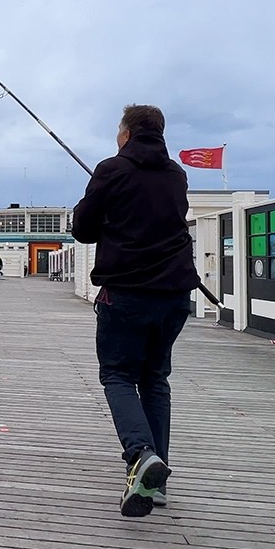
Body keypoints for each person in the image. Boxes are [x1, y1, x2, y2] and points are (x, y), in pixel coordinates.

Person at [71, 104, 199, 517]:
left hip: (126, 293)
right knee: (156, 379)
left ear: (126, 133)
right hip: (175, 294)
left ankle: (141, 454)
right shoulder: (177, 175)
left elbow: (83, 228)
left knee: (118, 375)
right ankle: (155, 481)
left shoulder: (111, 169)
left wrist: (98, 201)